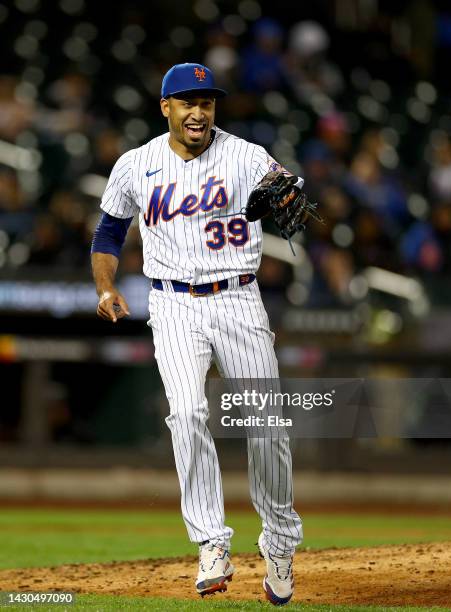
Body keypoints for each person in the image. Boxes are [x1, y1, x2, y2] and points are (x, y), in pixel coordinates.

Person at [91, 62, 303, 605]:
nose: (199, 111)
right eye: (187, 101)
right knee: (186, 413)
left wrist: (283, 192)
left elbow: (288, 189)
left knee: (266, 425)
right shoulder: (136, 165)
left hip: (237, 296)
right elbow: (109, 232)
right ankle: (211, 540)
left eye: (207, 101)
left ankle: (279, 541)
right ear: (166, 108)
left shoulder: (246, 155)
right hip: (172, 303)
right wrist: (106, 286)